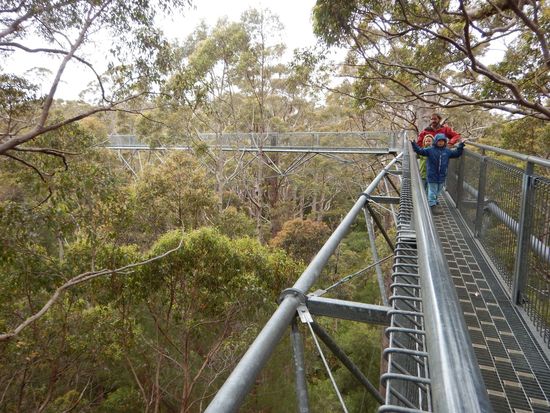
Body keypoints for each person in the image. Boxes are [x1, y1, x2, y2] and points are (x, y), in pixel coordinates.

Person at [411, 133, 465, 214]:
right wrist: (413, 143)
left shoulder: (447, 151)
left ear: (445, 142)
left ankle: (434, 201)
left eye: (442, 141)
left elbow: (456, 153)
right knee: (432, 190)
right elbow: (420, 151)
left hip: (442, 176)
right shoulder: (430, 150)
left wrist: (461, 145)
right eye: (439, 141)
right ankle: (432, 205)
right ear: (435, 141)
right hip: (432, 175)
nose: (440, 143)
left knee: (438, 190)